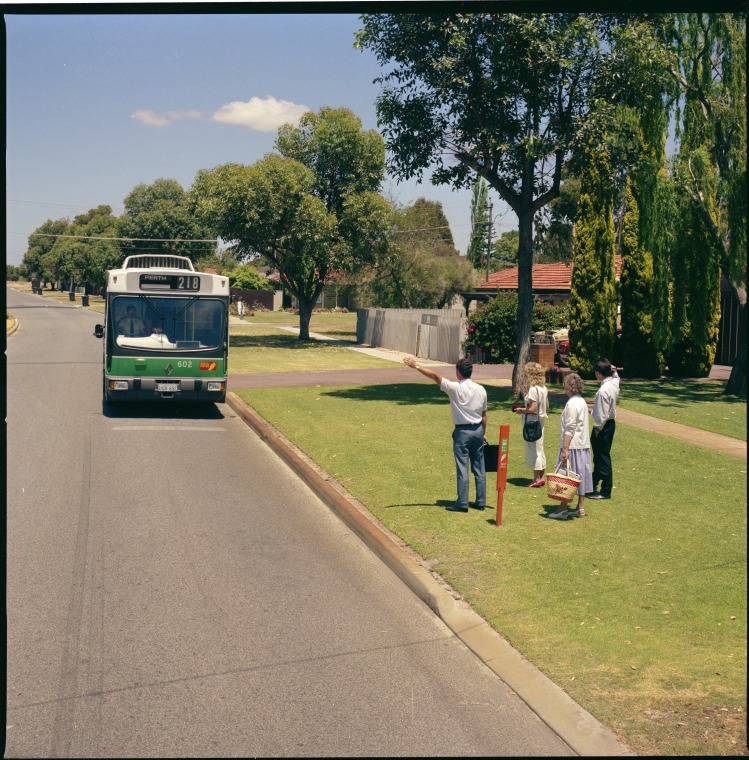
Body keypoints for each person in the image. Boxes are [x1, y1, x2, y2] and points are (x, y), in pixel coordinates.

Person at [403, 355, 488, 513]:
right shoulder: (481, 390)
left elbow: (435, 376)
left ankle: (462, 502)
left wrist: (416, 366)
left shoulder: (455, 388)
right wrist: (483, 433)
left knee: (462, 467)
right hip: (478, 430)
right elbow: (484, 416)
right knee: (479, 467)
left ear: (458, 372)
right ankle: (481, 501)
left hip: (462, 432)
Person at [549, 372, 593, 520]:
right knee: (580, 476)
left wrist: (565, 448)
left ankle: (563, 508)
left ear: (569, 387)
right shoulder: (581, 401)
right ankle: (580, 506)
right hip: (583, 445)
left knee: (566, 478)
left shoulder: (572, 404)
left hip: (573, 446)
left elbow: (570, 427)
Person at [588, 359, 620, 500]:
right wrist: (614, 370)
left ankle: (606, 489)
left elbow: (601, 415)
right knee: (601, 456)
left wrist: (597, 430)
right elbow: (617, 377)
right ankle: (593, 484)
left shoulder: (603, 391)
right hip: (611, 424)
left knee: (602, 457)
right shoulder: (614, 383)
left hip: (603, 426)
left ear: (599, 373)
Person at [513, 361, 549, 487]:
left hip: (531, 422)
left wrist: (521, 410)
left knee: (534, 450)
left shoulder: (533, 390)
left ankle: (536, 479)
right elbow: (547, 406)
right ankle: (541, 477)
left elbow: (532, 408)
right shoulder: (544, 389)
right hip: (540, 421)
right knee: (540, 448)